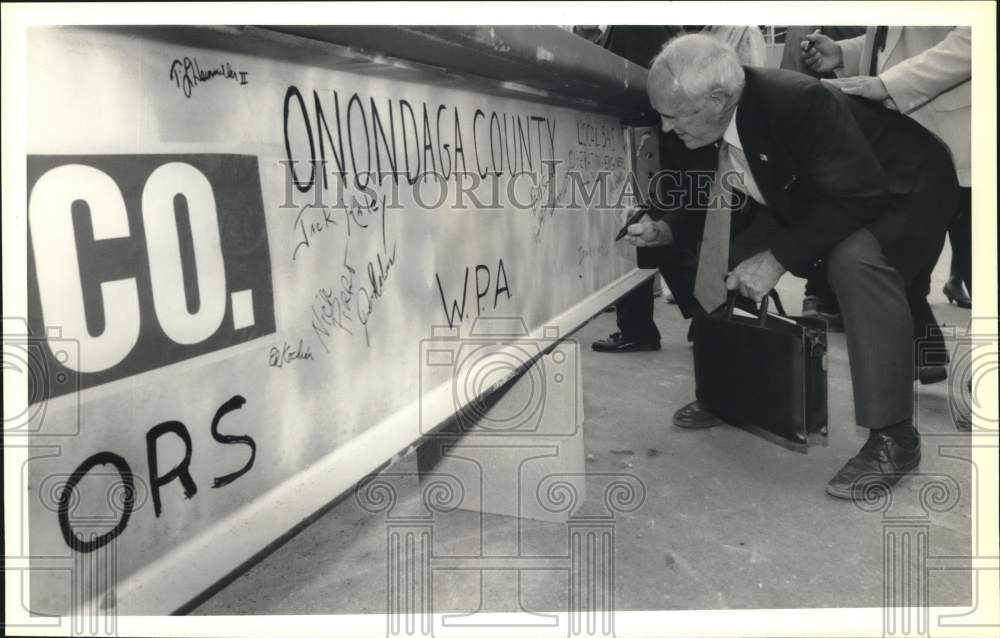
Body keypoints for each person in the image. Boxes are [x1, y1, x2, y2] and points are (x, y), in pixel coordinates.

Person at [626, 34, 959, 499]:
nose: (665, 129)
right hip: (823, 189)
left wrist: (779, 258)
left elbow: (861, 193)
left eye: (673, 116)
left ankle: (895, 437)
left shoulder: (794, 101)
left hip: (904, 185)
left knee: (855, 264)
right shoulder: (700, 120)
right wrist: (665, 229)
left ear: (718, 99)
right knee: (726, 252)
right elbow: (719, 198)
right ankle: (729, 393)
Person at [801, 27, 973, 380]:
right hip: (908, 143)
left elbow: (978, 34)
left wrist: (889, 84)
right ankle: (928, 352)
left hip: (962, 133)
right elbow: (897, 34)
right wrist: (844, 54)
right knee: (895, 257)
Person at [592, 25, 766, 353]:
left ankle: (703, 319)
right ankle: (703, 319)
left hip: (661, 136)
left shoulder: (638, 22)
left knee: (663, 222)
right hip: (669, 135)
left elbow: (648, 82)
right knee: (664, 226)